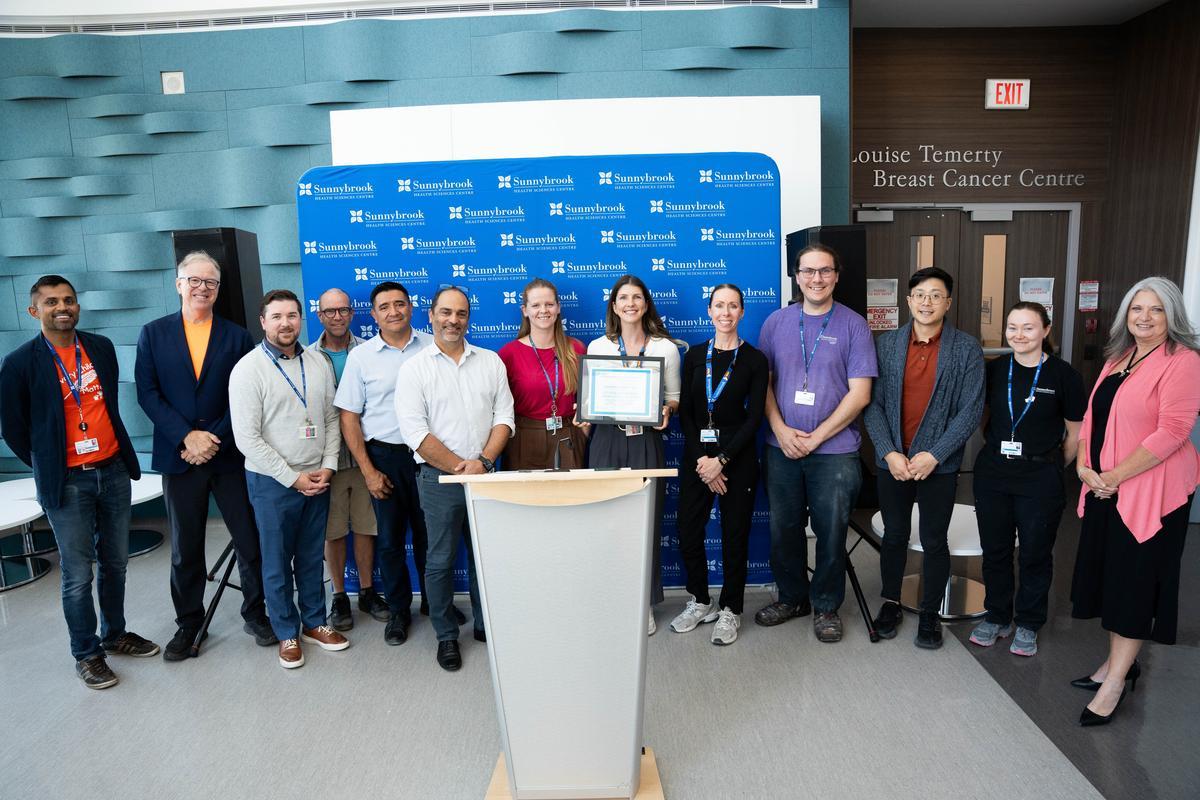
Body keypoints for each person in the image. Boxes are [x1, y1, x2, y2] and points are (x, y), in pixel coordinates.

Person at [0, 275, 158, 688]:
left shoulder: (100, 349)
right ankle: (87, 654)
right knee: (77, 574)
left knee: (116, 564)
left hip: (113, 470)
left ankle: (116, 633)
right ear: (35, 310)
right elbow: (15, 429)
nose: (62, 307)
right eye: (51, 302)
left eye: (68, 299)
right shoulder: (19, 363)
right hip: (67, 481)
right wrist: (50, 463)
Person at [1070, 276, 1200, 727]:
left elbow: (1174, 431)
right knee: (1113, 581)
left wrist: (1114, 476)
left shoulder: (1183, 362)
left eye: (1156, 310)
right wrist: (1086, 467)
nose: (1145, 318)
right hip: (1105, 487)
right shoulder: (1119, 357)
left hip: (1150, 494)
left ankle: (1115, 684)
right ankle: (1116, 665)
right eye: (1137, 309)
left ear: (1173, 316)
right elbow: (1090, 417)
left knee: (1134, 587)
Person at [135, 250, 275, 661]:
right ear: (179, 284)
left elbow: (245, 397)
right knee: (185, 547)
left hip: (228, 454)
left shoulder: (236, 336)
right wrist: (187, 437)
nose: (202, 288)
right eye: (194, 280)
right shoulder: (153, 333)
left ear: (218, 290)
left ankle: (255, 612)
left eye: (210, 282)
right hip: (180, 458)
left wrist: (210, 438)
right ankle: (190, 623)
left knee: (249, 541)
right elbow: (147, 393)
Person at [757, 244, 877, 643]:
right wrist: (781, 431)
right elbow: (765, 385)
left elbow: (860, 394)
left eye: (825, 271)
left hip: (836, 453)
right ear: (796, 275)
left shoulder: (854, 325)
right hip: (782, 449)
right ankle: (793, 599)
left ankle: (826, 605)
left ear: (836, 276)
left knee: (830, 533)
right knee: (783, 530)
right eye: (808, 271)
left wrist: (817, 437)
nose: (816, 279)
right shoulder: (775, 322)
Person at [394, 286, 515, 672]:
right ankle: (446, 635)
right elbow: (415, 433)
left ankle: (484, 625)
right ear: (430, 316)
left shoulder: (491, 361)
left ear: (468, 318)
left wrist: (482, 461)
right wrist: (460, 467)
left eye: (460, 313)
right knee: (441, 560)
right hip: (438, 481)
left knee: (485, 558)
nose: (453, 320)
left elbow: (504, 418)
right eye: (445, 312)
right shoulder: (414, 368)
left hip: (486, 476)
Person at [863, 266, 984, 649]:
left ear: (948, 302)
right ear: (909, 300)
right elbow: (873, 405)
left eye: (936, 295)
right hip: (893, 463)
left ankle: (930, 613)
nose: (927, 301)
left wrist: (936, 454)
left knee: (934, 539)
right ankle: (891, 602)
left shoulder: (965, 348)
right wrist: (888, 452)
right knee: (895, 535)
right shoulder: (886, 345)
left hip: (939, 465)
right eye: (920, 294)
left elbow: (970, 410)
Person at [229, 289, 348, 669]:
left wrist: (328, 465)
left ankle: (315, 621)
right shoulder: (248, 369)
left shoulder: (317, 362)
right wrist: (292, 479)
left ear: (302, 319)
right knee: (277, 561)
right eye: (277, 316)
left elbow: (330, 418)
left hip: (318, 476)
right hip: (272, 482)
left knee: (312, 556)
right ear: (263, 322)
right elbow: (247, 438)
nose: (286, 323)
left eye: (292, 316)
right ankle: (286, 631)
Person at [335, 281, 455, 647]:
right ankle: (400, 610)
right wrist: (369, 471)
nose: (393, 311)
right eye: (384, 306)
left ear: (412, 308)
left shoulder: (433, 347)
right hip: (384, 458)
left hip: (428, 455)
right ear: (373, 315)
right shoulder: (362, 357)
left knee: (429, 538)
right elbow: (349, 417)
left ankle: (435, 606)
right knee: (388, 541)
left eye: (399, 304)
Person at [969, 302, 1084, 656]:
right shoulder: (995, 369)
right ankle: (998, 615)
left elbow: (1075, 434)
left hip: (1040, 478)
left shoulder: (1064, 375)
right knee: (995, 551)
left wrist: (1049, 465)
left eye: (1028, 327)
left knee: (1035, 553)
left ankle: (1030, 622)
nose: (1019, 335)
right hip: (993, 473)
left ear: (1046, 331)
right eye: (1012, 327)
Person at [669, 284, 768, 645]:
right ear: (709, 311)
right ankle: (700, 600)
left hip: (737, 459)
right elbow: (690, 415)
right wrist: (703, 460)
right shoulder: (695, 356)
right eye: (719, 306)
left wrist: (721, 460)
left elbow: (754, 418)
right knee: (687, 529)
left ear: (742, 312)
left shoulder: (756, 360)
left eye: (733, 306)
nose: (725, 312)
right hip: (697, 457)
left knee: (734, 536)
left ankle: (730, 608)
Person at [584, 275, 681, 636]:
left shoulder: (665, 349)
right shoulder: (599, 346)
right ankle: (612, 599)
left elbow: (675, 397)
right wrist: (585, 411)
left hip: (646, 442)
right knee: (607, 522)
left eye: (636, 297)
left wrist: (668, 409)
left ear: (646, 304)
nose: (630, 303)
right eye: (623, 297)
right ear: (613, 305)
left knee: (646, 522)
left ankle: (643, 604)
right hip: (606, 440)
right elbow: (592, 399)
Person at [311, 288, 380, 632]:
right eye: (330, 312)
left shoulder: (369, 352)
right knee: (334, 530)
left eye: (343, 310)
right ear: (319, 315)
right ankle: (339, 595)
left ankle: (367, 592)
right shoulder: (307, 357)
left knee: (367, 525)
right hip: (328, 459)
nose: (337, 317)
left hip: (366, 454)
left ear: (353, 314)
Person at [498, 277, 588, 470]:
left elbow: (588, 400)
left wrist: (585, 431)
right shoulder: (508, 354)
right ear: (525, 311)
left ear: (558, 308)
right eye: (536, 305)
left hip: (568, 436)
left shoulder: (576, 349)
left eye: (549, 304)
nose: (543, 310)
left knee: (571, 498)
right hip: (524, 438)